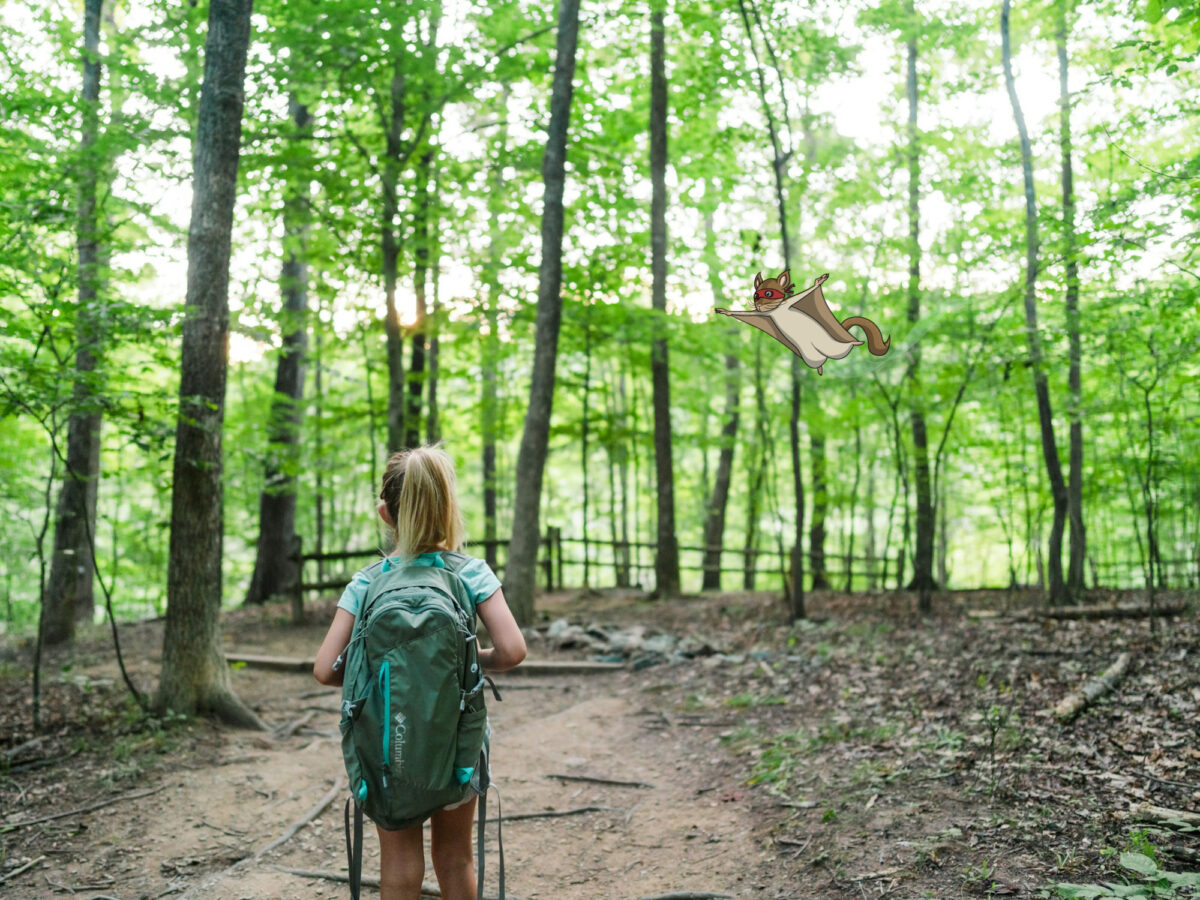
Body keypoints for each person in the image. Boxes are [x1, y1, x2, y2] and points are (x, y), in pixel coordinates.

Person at [314, 445, 526, 900]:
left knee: (399, 864)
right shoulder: (472, 574)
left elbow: (324, 669)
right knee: (454, 858)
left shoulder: (367, 582)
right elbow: (512, 651)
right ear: (448, 508)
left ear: (385, 514)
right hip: (456, 742)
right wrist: (471, 662)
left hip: (389, 746)